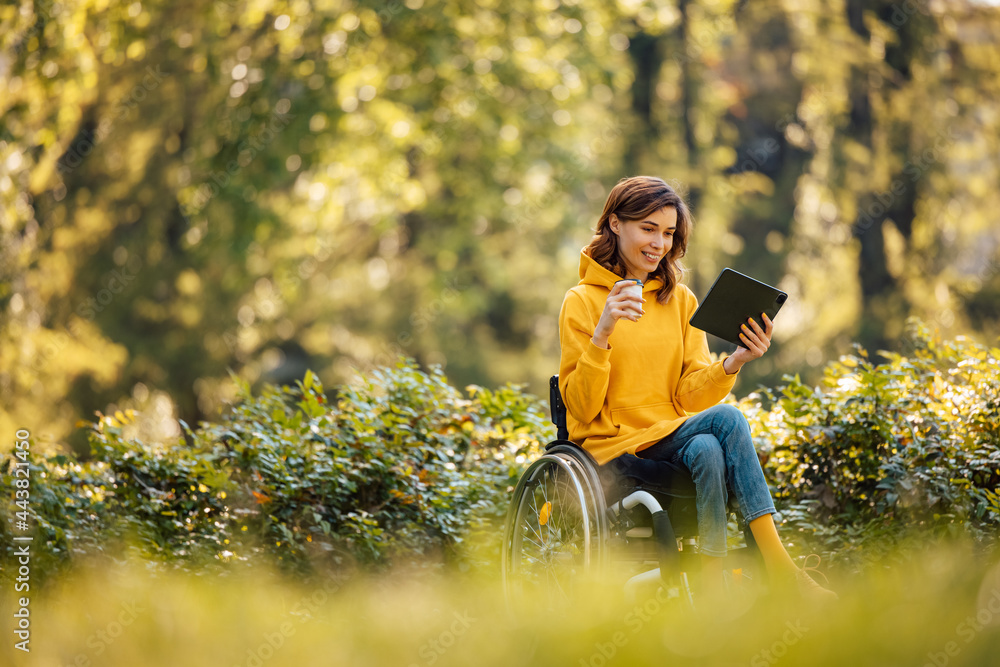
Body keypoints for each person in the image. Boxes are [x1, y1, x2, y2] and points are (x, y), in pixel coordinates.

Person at [558, 175, 836, 602]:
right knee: (726, 420)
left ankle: (709, 584)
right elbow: (580, 406)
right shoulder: (582, 302)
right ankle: (783, 567)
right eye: (648, 229)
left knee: (707, 445)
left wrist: (734, 362)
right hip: (614, 448)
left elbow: (688, 397)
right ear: (614, 224)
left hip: (667, 437)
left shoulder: (680, 300)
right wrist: (604, 330)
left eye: (668, 233)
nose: (659, 244)